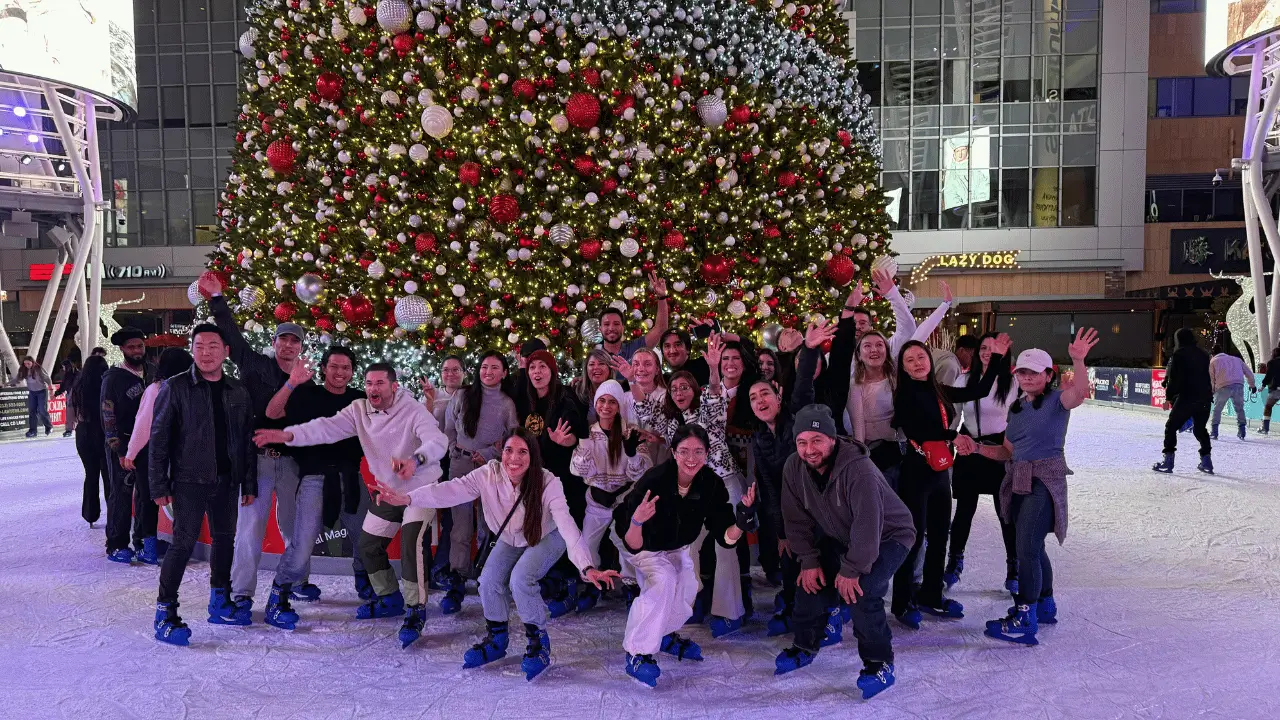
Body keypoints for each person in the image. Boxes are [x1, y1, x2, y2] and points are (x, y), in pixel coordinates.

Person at [373, 428, 619, 680]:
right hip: (511, 538)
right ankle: (497, 639)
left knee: (521, 579)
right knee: (488, 581)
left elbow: (567, 525)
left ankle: (538, 644)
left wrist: (587, 566)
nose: (514, 458)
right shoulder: (488, 474)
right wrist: (407, 499)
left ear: (532, 455)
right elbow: (449, 491)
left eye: (522, 452)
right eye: (509, 450)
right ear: (501, 452)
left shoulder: (548, 482)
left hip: (547, 535)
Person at [253, 362, 449, 648]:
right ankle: (389, 597)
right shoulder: (359, 409)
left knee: (411, 540)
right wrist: (287, 436)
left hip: (421, 489)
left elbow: (437, 441)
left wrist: (416, 460)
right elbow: (325, 428)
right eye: (369, 383)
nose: (373, 389)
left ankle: (415, 610)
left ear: (394, 386)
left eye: (380, 383)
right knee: (368, 544)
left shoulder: (413, 409)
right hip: (390, 490)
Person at [773, 404, 915, 700]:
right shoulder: (793, 468)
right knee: (809, 581)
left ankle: (879, 663)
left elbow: (868, 523)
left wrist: (852, 569)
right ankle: (805, 645)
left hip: (889, 535)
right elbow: (795, 520)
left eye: (817, 440)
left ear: (832, 438)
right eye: (802, 442)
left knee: (862, 590)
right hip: (842, 535)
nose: (809, 450)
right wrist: (809, 560)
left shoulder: (858, 469)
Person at [200, 274, 318, 610]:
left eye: (294, 342)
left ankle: (296, 581)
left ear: (300, 347)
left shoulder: (307, 382)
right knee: (250, 528)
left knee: (295, 528)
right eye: (283, 340)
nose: (288, 346)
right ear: (275, 342)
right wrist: (217, 299)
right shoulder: (255, 365)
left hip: (291, 462)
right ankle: (241, 592)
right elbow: (231, 336)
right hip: (258, 461)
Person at [613, 423, 758, 687]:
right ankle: (636, 652)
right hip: (639, 542)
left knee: (688, 587)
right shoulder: (655, 481)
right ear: (673, 452)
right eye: (684, 451)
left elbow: (725, 537)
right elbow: (632, 543)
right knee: (664, 581)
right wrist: (637, 521)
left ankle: (663, 634)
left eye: (698, 451)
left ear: (707, 453)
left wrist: (742, 521)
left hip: (676, 546)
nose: (691, 458)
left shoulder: (711, 484)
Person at [979, 328, 1098, 645]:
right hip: (1019, 479)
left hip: (1044, 481)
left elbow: (1079, 393)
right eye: (1022, 372)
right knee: (1032, 547)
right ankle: (1044, 604)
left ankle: (1024, 617)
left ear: (1048, 375)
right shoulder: (1017, 408)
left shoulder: (1058, 401)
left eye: (1034, 372)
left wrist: (1079, 360)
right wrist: (975, 448)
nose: (1027, 377)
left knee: (1026, 550)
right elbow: (1007, 451)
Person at [889, 334, 1010, 628]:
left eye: (921, 357)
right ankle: (902, 602)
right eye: (910, 360)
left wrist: (996, 357)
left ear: (930, 361)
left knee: (940, 535)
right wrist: (953, 435)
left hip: (940, 470)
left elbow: (980, 389)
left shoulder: (939, 390)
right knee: (914, 538)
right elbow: (916, 429)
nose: (917, 363)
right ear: (903, 367)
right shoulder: (905, 394)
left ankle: (931, 594)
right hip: (917, 472)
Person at [149, 324, 257, 646]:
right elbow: (158, 439)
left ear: (225, 351)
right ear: (192, 350)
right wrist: (158, 485)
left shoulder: (237, 390)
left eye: (213, 346)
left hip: (227, 480)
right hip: (188, 481)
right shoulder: (176, 387)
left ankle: (219, 601)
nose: (206, 353)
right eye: (200, 346)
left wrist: (248, 481)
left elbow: (246, 441)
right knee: (182, 544)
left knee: (225, 540)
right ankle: (165, 612)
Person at [635, 336, 747, 636]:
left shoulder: (708, 408)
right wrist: (634, 379)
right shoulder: (673, 422)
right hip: (695, 492)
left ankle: (729, 611)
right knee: (689, 546)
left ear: (694, 390)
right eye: (674, 389)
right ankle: (692, 601)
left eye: (684, 387)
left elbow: (715, 394)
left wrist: (713, 369)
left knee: (726, 548)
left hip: (724, 484)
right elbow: (646, 412)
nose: (679, 392)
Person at [258, 345, 368, 628]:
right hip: (315, 479)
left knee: (366, 539)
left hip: (351, 478)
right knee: (302, 545)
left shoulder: (360, 399)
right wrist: (292, 382)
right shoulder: (307, 394)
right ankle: (278, 597)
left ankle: (366, 584)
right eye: (334, 366)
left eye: (346, 367)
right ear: (323, 368)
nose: (340, 372)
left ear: (352, 371)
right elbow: (271, 412)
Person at [747, 322, 829, 636]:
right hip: (789, 512)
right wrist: (781, 531)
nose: (760, 400)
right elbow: (769, 486)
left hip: (818, 507)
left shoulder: (796, 417)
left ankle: (823, 615)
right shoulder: (759, 438)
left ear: (778, 396)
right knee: (789, 560)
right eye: (753, 398)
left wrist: (809, 349)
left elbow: (804, 384)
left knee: (817, 562)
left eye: (764, 393)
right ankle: (793, 606)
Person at [441, 350, 519, 612]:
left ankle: (486, 575)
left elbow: (512, 438)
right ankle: (457, 579)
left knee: (489, 525)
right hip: (461, 465)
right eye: (484, 367)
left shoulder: (507, 404)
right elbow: (449, 426)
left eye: (495, 368)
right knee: (460, 527)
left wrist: (488, 454)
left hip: (491, 468)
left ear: (504, 373)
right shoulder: (462, 395)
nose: (488, 372)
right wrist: (453, 447)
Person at [945, 332, 1019, 594]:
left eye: (993, 348)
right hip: (970, 447)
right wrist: (949, 439)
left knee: (1005, 512)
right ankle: (954, 561)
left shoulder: (1012, 383)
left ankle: (1014, 567)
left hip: (1000, 449)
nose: (988, 352)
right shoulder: (965, 380)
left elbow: (1019, 419)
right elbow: (954, 416)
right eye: (983, 348)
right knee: (964, 510)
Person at [570, 380, 653, 605]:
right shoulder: (589, 433)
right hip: (597, 500)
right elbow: (579, 470)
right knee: (587, 544)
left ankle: (631, 584)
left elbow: (643, 472)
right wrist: (584, 445)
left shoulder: (630, 433)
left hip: (623, 500)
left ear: (619, 406)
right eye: (602, 401)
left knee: (625, 542)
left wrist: (632, 455)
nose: (606, 406)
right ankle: (592, 583)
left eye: (612, 402)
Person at [123, 347, 193, 565]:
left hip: (153, 453)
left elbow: (143, 424)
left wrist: (131, 453)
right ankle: (182, 547)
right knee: (183, 501)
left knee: (148, 500)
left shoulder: (156, 389)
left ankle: (149, 549)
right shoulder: (192, 388)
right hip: (182, 452)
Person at [101, 327, 149, 564]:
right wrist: (119, 449)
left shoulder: (151, 372)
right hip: (123, 445)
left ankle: (142, 539)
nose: (137, 351)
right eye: (131, 347)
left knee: (145, 494)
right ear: (122, 349)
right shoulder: (113, 379)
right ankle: (116, 543)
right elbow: (107, 415)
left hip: (147, 444)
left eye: (140, 346)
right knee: (121, 494)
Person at [421, 354, 466, 583]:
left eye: (456, 369)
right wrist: (429, 401)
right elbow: (422, 428)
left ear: (464, 373)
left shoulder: (470, 396)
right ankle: (423, 569)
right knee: (425, 516)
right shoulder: (433, 395)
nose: (450, 374)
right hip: (434, 461)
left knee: (453, 518)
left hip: (458, 460)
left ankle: (442, 567)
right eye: (446, 370)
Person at [1154, 328, 1214, 474]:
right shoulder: (1203, 354)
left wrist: (1169, 397)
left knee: (1171, 427)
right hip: (1204, 397)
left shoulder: (1179, 354)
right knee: (1200, 429)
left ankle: (1168, 460)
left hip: (1188, 397)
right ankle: (1206, 460)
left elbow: (1175, 379)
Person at [596, 272, 670, 363]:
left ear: (622, 327)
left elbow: (661, 329)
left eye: (616, 324)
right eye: (606, 324)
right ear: (600, 329)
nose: (611, 328)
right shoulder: (594, 359)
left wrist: (662, 297)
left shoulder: (635, 349)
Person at [72, 356, 109, 527]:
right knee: (108, 476)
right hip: (102, 431)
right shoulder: (105, 385)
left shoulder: (79, 386)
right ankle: (114, 513)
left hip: (83, 432)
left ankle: (90, 514)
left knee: (91, 475)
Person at [1208, 344, 1256, 440]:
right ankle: (1242, 431)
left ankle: (1214, 432)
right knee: (1239, 409)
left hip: (1222, 387)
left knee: (1217, 410)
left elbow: (1212, 379)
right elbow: (1249, 373)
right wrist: (1252, 385)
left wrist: (1212, 391)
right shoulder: (1237, 359)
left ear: (1212, 354)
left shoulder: (1213, 361)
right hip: (1238, 385)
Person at [10, 355, 53, 438]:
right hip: (32, 393)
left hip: (42, 391)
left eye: (28, 364)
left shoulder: (38, 369)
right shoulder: (23, 370)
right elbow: (17, 379)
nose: (27, 365)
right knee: (32, 411)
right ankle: (33, 431)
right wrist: (5, 384)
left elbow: (47, 378)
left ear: (33, 363)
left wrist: (51, 388)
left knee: (42, 410)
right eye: (25, 364)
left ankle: (48, 427)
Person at [55, 359, 79, 437]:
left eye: (63, 367)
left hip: (72, 394)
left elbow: (64, 385)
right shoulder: (78, 373)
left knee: (70, 412)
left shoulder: (68, 374)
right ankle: (77, 428)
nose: (63, 368)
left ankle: (69, 429)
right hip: (78, 394)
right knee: (77, 412)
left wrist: (57, 393)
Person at [1261, 347, 1280, 434]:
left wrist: (1263, 385)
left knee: (1268, 407)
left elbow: (1269, 375)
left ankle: (1265, 428)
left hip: (1275, 389)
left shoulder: (1272, 363)